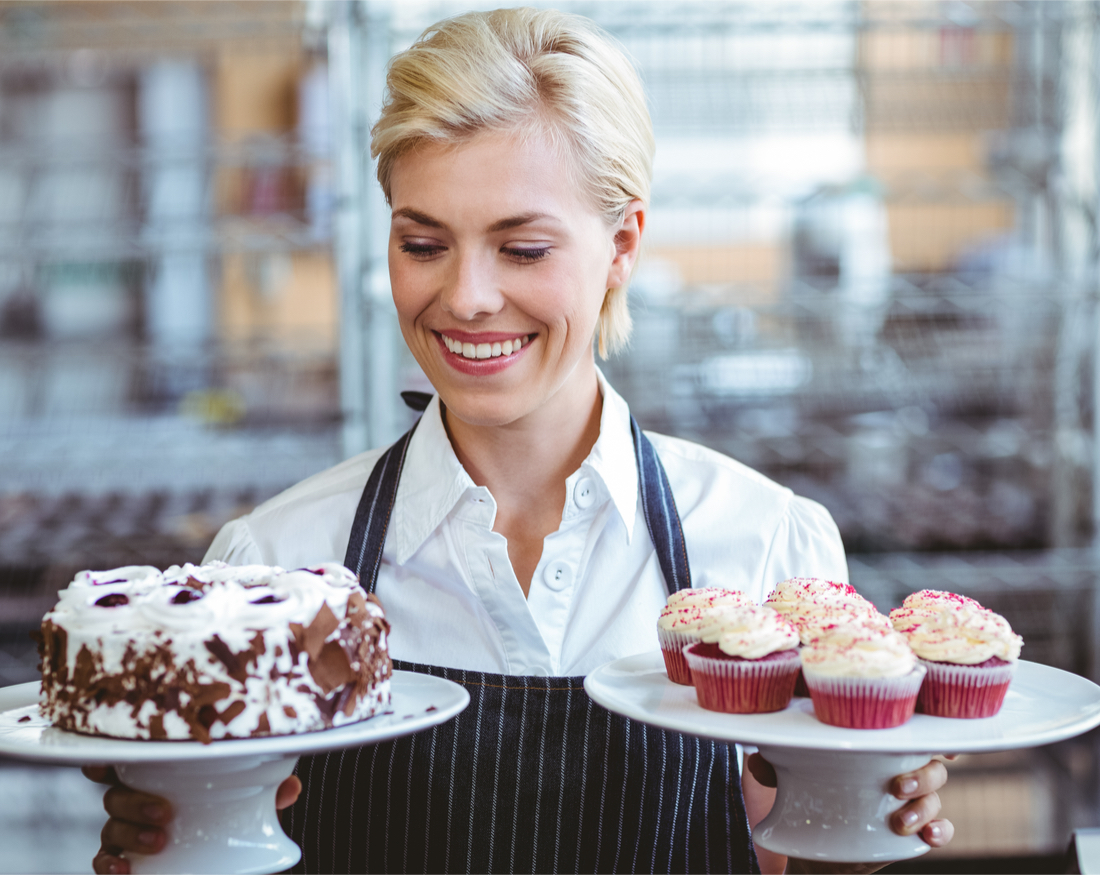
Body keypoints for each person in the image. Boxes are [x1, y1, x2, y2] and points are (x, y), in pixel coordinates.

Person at [87, 8, 953, 874]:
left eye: (524, 248)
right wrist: (168, 843)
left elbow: (792, 856)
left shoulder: (763, 546)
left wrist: (868, 819)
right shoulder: (270, 568)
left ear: (622, 245)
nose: (466, 297)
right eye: (423, 243)